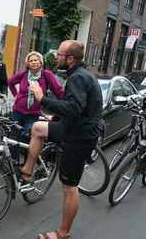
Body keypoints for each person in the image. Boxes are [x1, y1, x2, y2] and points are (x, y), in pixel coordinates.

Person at [19, 40, 103, 239]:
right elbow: (78, 109)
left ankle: (63, 233)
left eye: (59, 55)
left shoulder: (78, 78)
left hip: (79, 137)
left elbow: (74, 108)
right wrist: (55, 117)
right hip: (71, 127)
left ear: (70, 58)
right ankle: (27, 171)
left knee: (69, 187)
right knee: (38, 128)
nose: (56, 57)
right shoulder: (80, 74)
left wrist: (42, 99)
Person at [7, 51, 64, 162]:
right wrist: (16, 95)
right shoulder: (23, 74)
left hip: (33, 115)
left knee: (30, 139)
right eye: (31, 60)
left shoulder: (46, 75)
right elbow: (10, 82)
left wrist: (67, 101)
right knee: (16, 138)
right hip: (18, 111)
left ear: (40, 62)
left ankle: (29, 165)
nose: (33, 62)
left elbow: (59, 91)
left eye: (35, 60)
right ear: (28, 63)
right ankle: (15, 163)